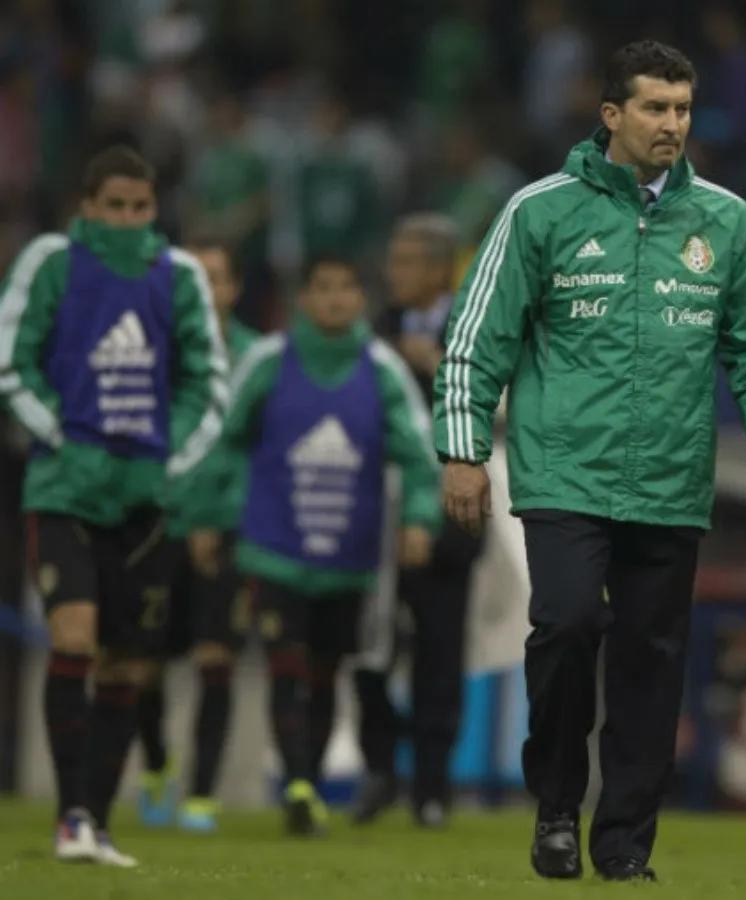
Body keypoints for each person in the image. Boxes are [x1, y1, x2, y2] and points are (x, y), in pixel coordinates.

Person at [434, 40, 746, 882]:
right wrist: (460, 452)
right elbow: (473, 338)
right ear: (611, 116)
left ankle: (625, 845)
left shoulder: (728, 221)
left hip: (671, 479)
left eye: (682, 109)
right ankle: (557, 804)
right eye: (655, 108)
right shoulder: (539, 211)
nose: (673, 124)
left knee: (651, 665)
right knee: (563, 625)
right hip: (563, 469)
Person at [0, 145, 227, 865]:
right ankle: (71, 817)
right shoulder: (51, 261)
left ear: (154, 208)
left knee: (128, 667)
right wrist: (63, 437)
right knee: (73, 640)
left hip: (145, 499)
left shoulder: (179, 273)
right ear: (88, 207)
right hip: (64, 490)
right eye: (115, 207)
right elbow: (10, 357)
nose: (129, 220)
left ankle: (97, 823)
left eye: (141, 208)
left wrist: (171, 459)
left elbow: (207, 380)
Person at [222, 254, 440, 835]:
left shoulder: (382, 369)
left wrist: (420, 518)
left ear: (361, 300)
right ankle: (296, 783)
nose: (336, 299)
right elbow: (224, 441)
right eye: (324, 289)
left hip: (349, 556)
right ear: (303, 299)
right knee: (285, 664)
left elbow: (421, 456)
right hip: (273, 545)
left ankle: (306, 783)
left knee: (324, 671)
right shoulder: (268, 362)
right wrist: (215, 515)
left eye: (347, 288)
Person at [352, 214, 483, 828]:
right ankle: (380, 770)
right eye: (393, 261)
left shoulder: (478, 324)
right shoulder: (372, 331)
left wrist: (440, 366)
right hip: (375, 519)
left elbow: (504, 405)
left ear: (438, 269)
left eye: (407, 262)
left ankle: (432, 789)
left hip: (451, 520)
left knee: (439, 654)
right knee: (370, 653)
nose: (394, 273)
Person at [136, 238, 260, 833]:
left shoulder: (259, 357)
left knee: (216, 658)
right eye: (196, 277)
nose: (207, 289)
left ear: (234, 288)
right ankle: (158, 762)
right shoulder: (152, 353)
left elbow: (262, 454)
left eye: (217, 277)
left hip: (226, 534)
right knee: (141, 667)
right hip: (158, 528)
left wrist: (220, 519)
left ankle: (202, 795)